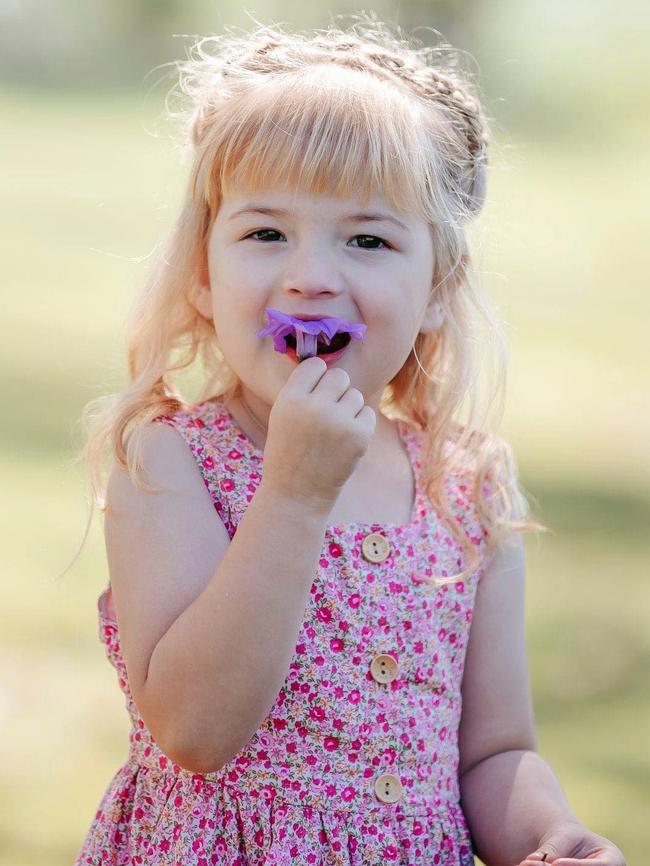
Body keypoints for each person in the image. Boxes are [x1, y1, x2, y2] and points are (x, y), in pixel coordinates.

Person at [72, 15, 626, 866]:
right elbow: (194, 730)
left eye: (367, 239)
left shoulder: (464, 483)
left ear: (437, 288)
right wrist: (294, 492)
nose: (310, 275)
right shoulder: (171, 463)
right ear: (204, 272)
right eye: (266, 233)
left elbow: (494, 753)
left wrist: (548, 835)